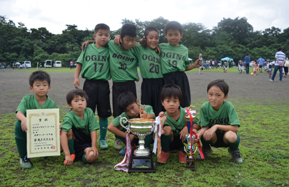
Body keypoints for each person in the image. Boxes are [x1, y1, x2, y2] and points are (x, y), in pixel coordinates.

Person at [82, 23, 139, 150]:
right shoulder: (113, 44)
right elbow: (101, 41)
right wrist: (91, 41)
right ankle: (120, 139)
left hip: (130, 83)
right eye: (127, 40)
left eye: (132, 40)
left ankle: (134, 141)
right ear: (121, 37)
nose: (130, 43)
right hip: (117, 84)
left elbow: (144, 45)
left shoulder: (135, 47)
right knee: (118, 113)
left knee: (133, 112)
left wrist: (145, 42)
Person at [74, 23, 111, 150]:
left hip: (103, 84)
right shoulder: (87, 48)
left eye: (106, 35)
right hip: (89, 83)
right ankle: (88, 138)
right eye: (100, 35)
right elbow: (79, 63)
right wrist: (76, 77)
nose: (103, 37)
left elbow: (120, 42)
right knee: (87, 112)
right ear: (95, 36)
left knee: (103, 113)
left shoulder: (110, 48)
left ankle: (102, 139)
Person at [15, 71, 58, 169]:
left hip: (44, 132)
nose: (41, 88)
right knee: (18, 124)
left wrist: (57, 125)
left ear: (49, 87)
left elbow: (54, 121)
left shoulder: (52, 104)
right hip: (29, 129)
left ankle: (45, 150)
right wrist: (24, 119)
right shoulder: (27, 99)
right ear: (31, 88)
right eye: (38, 85)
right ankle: (24, 156)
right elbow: (19, 113)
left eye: (44, 85)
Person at [195, 79, 243, 163]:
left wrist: (216, 126)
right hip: (213, 137)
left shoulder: (228, 106)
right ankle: (206, 148)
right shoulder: (204, 107)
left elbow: (235, 128)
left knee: (232, 135)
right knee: (205, 133)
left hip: (226, 137)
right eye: (210, 94)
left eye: (218, 95)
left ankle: (234, 150)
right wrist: (198, 134)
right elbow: (205, 126)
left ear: (225, 97)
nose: (213, 98)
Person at [159, 21, 201, 108]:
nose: (173, 37)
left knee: (182, 100)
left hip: (180, 78)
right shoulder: (161, 47)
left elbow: (184, 67)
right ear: (166, 35)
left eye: (176, 34)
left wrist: (193, 65)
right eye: (170, 35)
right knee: (167, 100)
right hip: (166, 78)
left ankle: (182, 119)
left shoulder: (184, 49)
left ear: (181, 35)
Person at [157, 84, 200, 164]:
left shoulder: (186, 113)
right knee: (167, 129)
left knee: (193, 130)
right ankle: (165, 152)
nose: (171, 104)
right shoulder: (162, 116)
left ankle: (183, 152)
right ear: (162, 103)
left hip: (183, 142)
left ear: (179, 102)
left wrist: (188, 127)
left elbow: (198, 125)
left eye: (175, 101)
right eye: (168, 101)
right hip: (170, 142)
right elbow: (156, 134)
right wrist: (159, 123)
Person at [61, 89, 99, 165]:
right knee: (68, 130)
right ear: (70, 105)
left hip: (86, 144)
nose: (80, 103)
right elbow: (63, 134)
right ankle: (72, 154)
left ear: (86, 102)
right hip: (74, 143)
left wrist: (93, 146)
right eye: (76, 101)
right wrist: (67, 155)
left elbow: (93, 130)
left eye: (82, 100)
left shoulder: (89, 112)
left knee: (91, 156)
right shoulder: (69, 117)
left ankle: (82, 155)